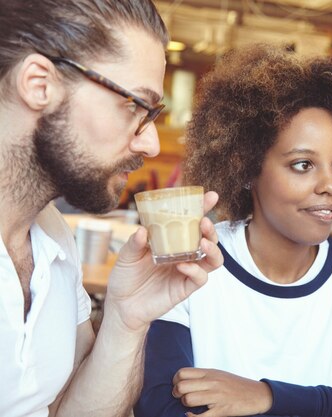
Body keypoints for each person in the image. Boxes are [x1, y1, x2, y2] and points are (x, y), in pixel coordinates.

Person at [134, 44, 332, 417]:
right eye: (303, 164)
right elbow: (160, 408)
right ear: (247, 167)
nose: (331, 185)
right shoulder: (194, 261)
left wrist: (266, 396)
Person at [0, 1, 223, 416]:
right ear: (39, 85)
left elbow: (66, 410)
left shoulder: (52, 236)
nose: (151, 144)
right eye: (135, 105)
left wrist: (127, 318)